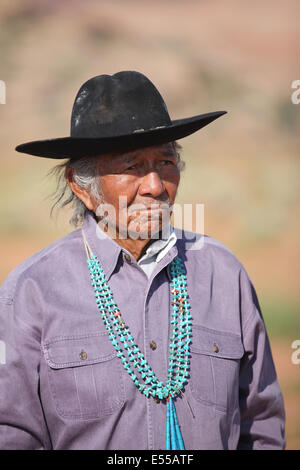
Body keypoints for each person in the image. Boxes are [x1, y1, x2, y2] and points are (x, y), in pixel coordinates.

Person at [0, 71, 285, 450]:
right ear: (81, 185)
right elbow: (12, 433)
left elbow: (261, 422)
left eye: (166, 162)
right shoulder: (31, 293)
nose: (154, 185)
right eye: (133, 166)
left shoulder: (224, 274)